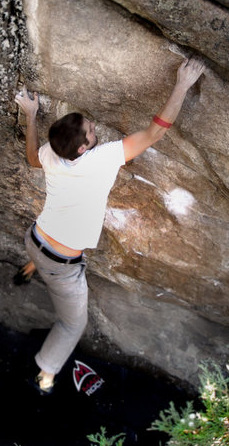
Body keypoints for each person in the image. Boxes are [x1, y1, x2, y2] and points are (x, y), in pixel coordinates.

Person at [14, 58, 204, 394]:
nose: (93, 126)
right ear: (84, 146)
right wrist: (182, 84)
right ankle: (43, 374)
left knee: (48, 254)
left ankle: (29, 269)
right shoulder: (104, 158)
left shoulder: (51, 153)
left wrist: (29, 115)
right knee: (73, 324)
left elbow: (31, 158)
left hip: (34, 239)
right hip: (61, 264)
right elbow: (155, 131)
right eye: (90, 129)